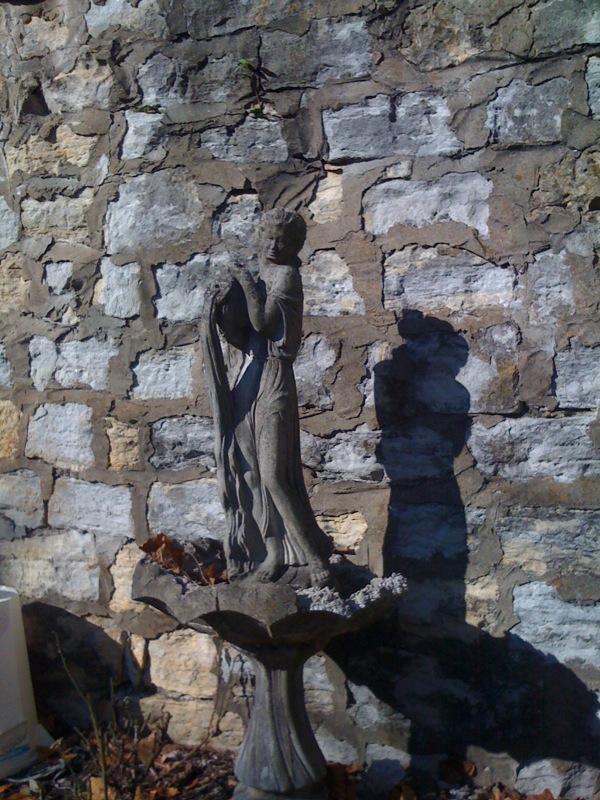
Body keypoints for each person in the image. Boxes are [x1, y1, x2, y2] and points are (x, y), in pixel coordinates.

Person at [202, 209, 333, 588]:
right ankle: (273, 552)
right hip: (249, 375)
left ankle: (315, 557)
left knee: (275, 475)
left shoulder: (286, 276)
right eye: (270, 238)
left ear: (294, 246)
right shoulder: (264, 273)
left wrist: (244, 282)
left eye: (283, 241)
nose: (274, 246)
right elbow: (246, 332)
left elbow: (262, 323)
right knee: (251, 472)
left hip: (274, 377)